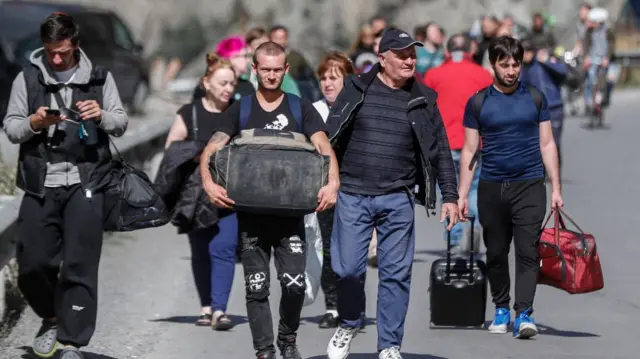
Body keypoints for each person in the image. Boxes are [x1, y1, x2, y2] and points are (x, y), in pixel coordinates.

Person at [325, 28, 459, 359]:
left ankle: (389, 345)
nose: (409, 59)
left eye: (412, 54)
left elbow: (440, 149)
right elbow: (329, 137)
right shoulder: (356, 88)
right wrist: (326, 181)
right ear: (382, 58)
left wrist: (451, 197)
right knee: (347, 270)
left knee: (395, 275)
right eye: (401, 54)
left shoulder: (423, 99)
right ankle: (350, 321)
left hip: (398, 197)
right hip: (353, 193)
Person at [200, 41, 339, 359]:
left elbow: (324, 148)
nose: (272, 75)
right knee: (256, 287)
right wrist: (209, 184)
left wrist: (332, 184)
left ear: (286, 70)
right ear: (255, 69)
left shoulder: (298, 107)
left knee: (293, 286)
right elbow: (210, 150)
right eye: (266, 70)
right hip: (251, 217)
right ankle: (264, 351)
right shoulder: (242, 109)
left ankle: (287, 340)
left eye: (278, 70)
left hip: (291, 216)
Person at [2, 13, 128, 359]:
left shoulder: (100, 78)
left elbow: (120, 122)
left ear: (75, 43)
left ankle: (72, 342)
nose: (56, 59)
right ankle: (51, 316)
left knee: (80, 265)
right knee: (32, 264)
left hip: (87, 183)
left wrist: (100, 115)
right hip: (41, 183)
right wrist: (34, 122)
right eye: (50, 52)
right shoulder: (26, 79)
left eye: (62, 52)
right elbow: (11, 129)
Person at [457, 35, 563, 339]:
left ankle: (524, 313)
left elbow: (547, 143)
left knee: (528, 251)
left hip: (529, 185)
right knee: (496, 252)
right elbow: (469, 150)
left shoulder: (535, 98)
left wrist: (555, 187)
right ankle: (501, 308)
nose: (512, 70)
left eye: (516, 64)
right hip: (492, 186)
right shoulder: (478, 102)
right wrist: (462, 194)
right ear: (493, 65)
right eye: (505, 65)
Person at [164, 52, 239, 330]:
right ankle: (206, 306)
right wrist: (199, 153)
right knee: (201, 250)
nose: (228, 89)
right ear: (206, 83)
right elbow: (171, 149)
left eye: (232, 84)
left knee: (225, 247)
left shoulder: (240, 112)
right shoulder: (190, 113)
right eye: (222, 83)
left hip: (231, 193)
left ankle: (220, 310)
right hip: (196, 194)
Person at [424, 33, 493, 253]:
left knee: (448, 191)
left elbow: (425, 110)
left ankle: (454, 238)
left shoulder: (433, 76)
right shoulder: (483, 76)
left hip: (442, 144)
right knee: (472, 188)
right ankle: (471, 224)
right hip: (473, 143)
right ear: (470, 51)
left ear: (447, 51)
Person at [312, 51, 356, 329]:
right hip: (323, 191)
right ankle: (331, 307)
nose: (328, 83)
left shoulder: (358, 107)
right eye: (324, 78)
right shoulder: (313, 111)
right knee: (327, 249)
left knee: (352, 253)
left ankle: (353, 306)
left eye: (334, 78)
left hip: (355, 190)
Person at [519, 38, 568, 173]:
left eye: (528, 51)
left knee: (554, 142)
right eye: (523, 52)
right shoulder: (521, 68)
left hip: (554, 107)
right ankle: (541, 171)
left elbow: (563, 72)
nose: (526, 55)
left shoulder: (544, 62)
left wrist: (546, 61)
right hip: (535, 110)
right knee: (538, 142)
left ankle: (555, 170)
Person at [193, 36, 253, 102]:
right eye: (244, 56)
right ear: (231, 57)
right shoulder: (209, 86)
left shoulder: (247, 86)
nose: (248, 60)